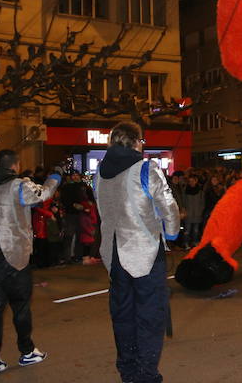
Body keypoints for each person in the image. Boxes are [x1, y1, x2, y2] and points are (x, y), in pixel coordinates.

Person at [95, 121, 179, 383]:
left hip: (113, 253)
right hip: (144, 251)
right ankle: (146, 373)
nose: (143, 145)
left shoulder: (100, 172)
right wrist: (172, 233)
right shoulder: (145, 167)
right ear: (134, 141)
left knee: (122, 313)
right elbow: (168, 205)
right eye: (142, 141)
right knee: (150, 314)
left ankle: (128, 369)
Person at [0, 149, 60, 376]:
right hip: (13, 255)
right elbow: (43, 194)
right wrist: (55, 177)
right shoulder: (18, 185)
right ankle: (26, 351)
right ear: (15, 165)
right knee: (20, 306)